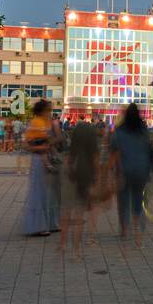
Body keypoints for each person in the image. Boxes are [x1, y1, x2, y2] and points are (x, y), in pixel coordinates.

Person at [109, 103, 153, 246]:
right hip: (142, 171)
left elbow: (114, 154)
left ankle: (124, 230)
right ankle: (137, 233)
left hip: (125, 171)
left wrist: (109, 172)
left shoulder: (119, 131)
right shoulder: (144, 131)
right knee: (138, 200)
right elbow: (151, 150)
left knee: (123, 201)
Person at [59, 122, 101, 260]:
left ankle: (63, 243)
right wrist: (97, 180)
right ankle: (76, 251)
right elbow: (96, 164)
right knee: (79, 216)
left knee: (66, 212)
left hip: (72, 179)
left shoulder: (72, 148)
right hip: (85, 178)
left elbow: (67, 163)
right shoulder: (93, 149)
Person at [20, 100, 62, 236]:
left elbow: (56, 140)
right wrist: (41, 147)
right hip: (39, 160)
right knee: (40, 191)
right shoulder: (36, 123)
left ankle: (51, 223)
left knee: (51, 192)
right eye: (48, 110)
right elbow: (27, 145)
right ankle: (39, 225)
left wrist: (54, 139)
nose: (50, 113)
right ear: (41, 111)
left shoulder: (49, 122)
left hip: (50, 158)